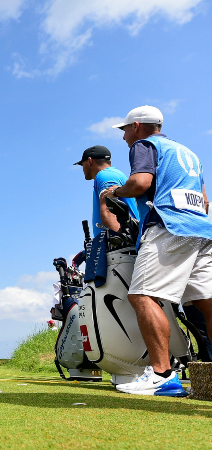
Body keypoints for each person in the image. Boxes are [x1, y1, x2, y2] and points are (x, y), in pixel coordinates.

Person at [99, 105, 212, 397]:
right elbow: (204, 200)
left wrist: (114, 192)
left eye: (125, 130)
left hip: (168, 226)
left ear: (136, 126)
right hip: (201, 230)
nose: (124, 137)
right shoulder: (189, 153)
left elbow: (140, 183)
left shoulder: (144, 144)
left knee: (141, 295)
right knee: (207, 302)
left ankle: (162, 375)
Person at [75, 145, 139, 236]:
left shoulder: (104, 175)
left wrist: (118, 242)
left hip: (123, 244)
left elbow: (109, 210)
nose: (82, 169)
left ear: (89, 161)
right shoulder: (113, 174)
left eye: (82, 164)